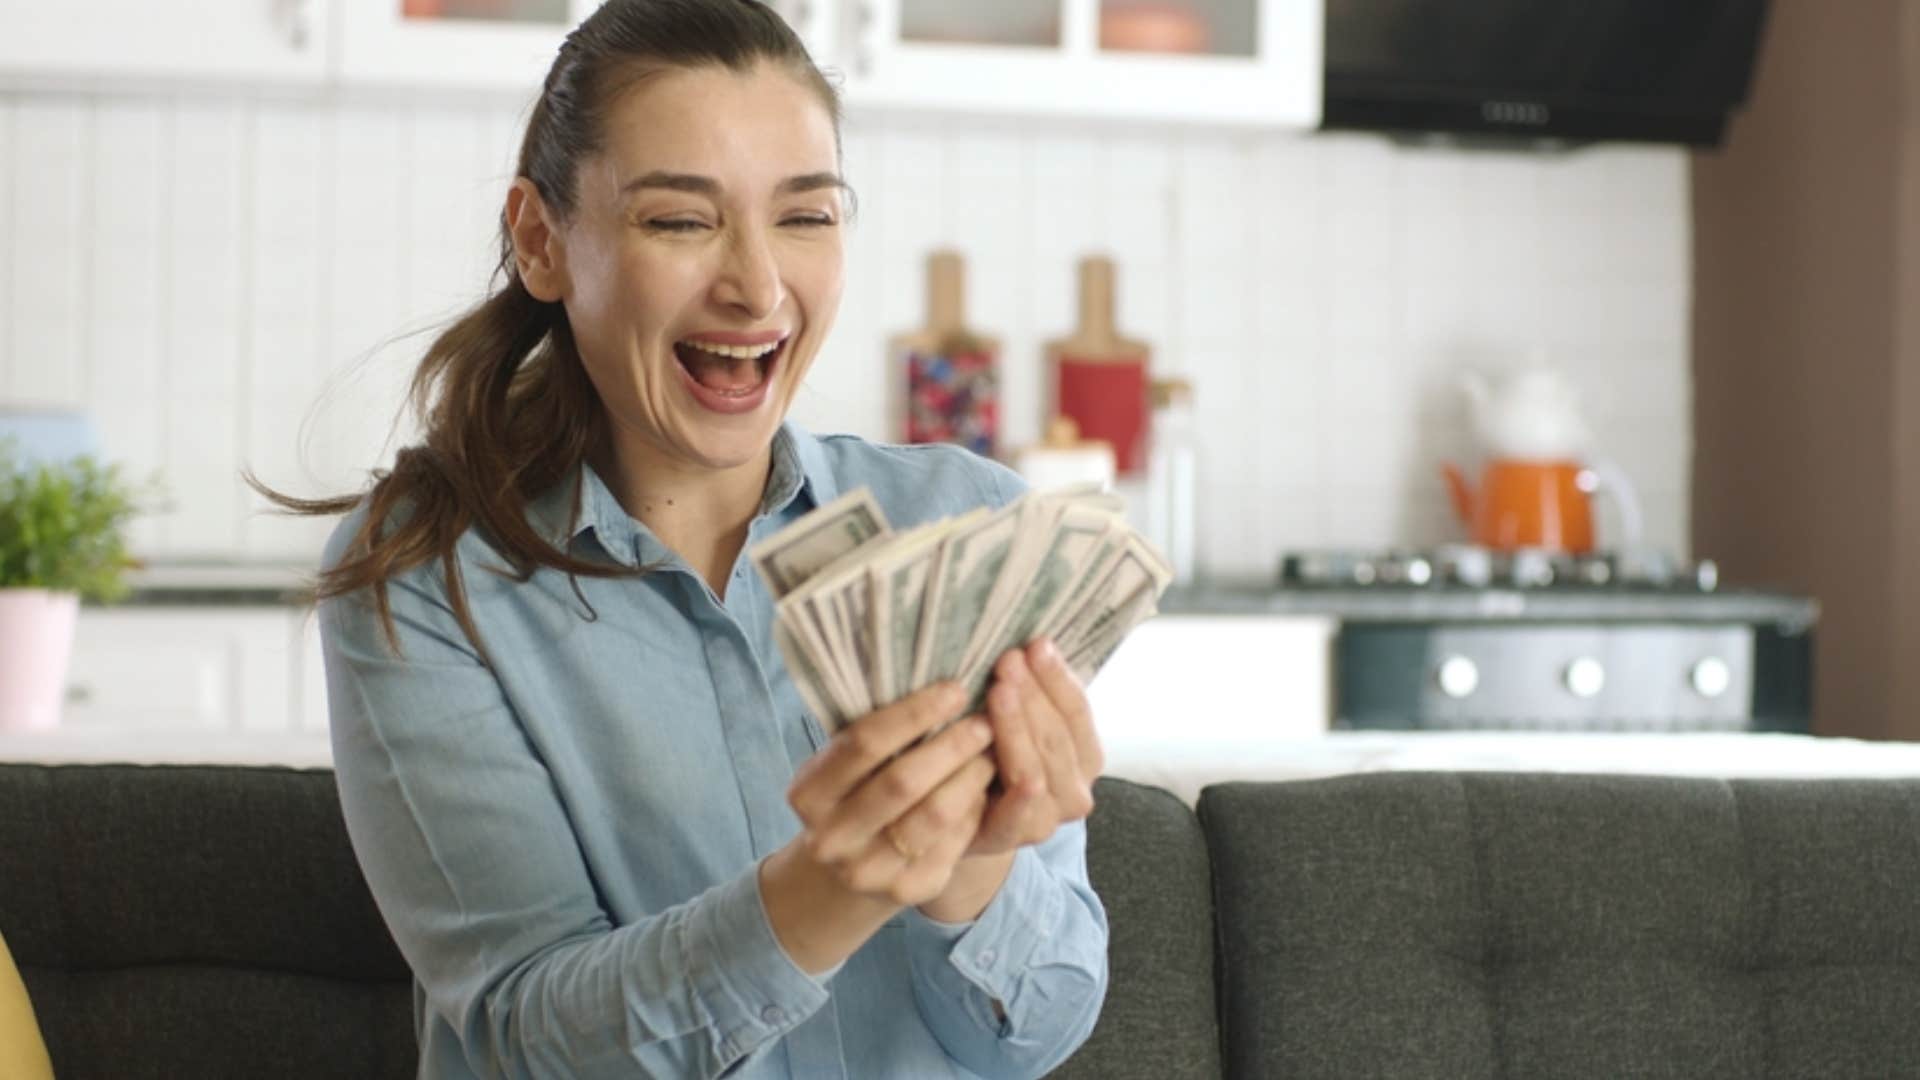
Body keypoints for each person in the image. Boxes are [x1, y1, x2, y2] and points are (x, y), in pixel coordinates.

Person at [265, 1, 1110, 1076]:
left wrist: (974, 872)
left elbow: (1034, 1038)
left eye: (805, 218)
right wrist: (838, 883)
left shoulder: (961, 525)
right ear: (541, 240)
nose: (757, 286)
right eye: (679, 221)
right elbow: (531, 1041)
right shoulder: (426, 577)